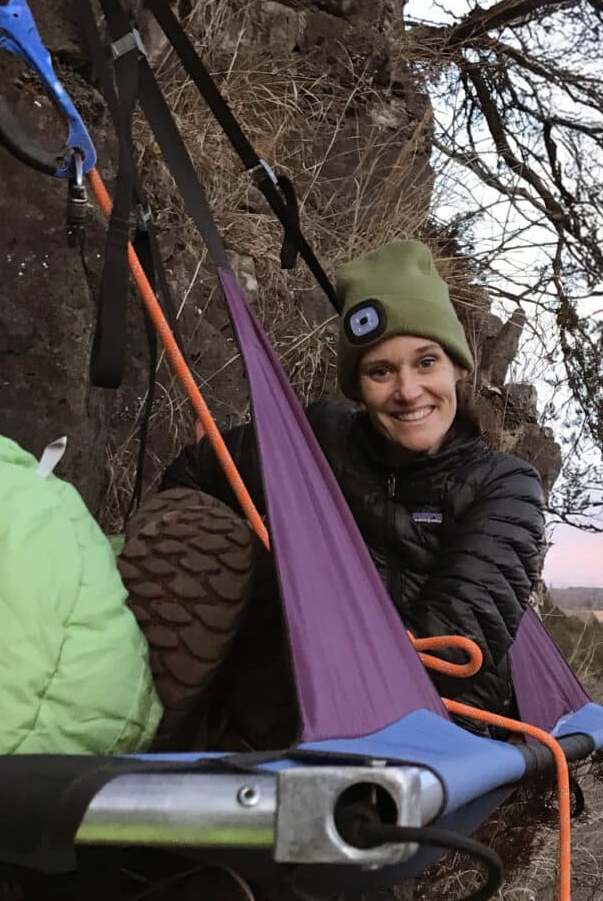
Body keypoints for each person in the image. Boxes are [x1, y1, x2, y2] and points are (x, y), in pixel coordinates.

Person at [148, 239, 547, 737]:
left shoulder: (505, 487)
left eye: (426, 363)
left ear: (458, 368)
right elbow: (197, 475)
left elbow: (450, 648)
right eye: (381, 371)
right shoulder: (319, 440)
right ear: (357, 386)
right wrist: (249, 573)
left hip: (438, 731)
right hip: (286, 707)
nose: (407, 391)